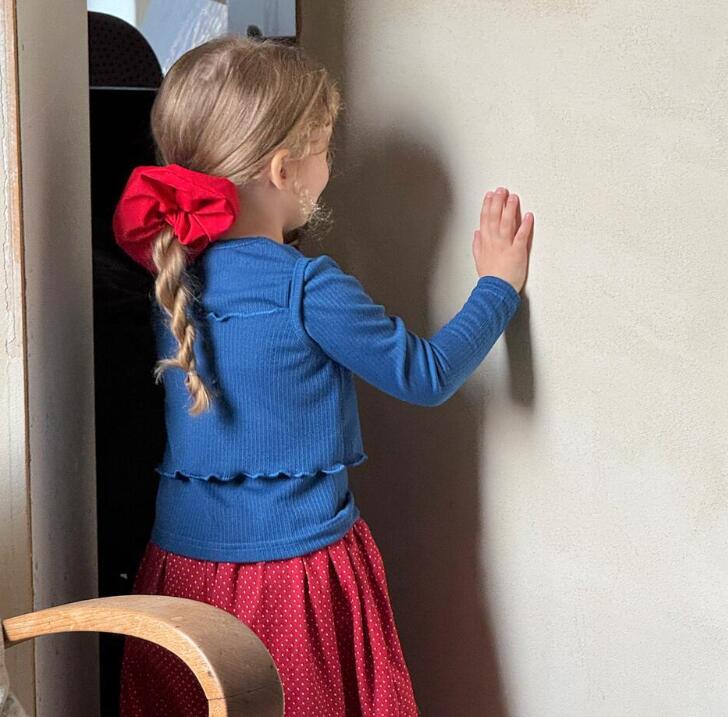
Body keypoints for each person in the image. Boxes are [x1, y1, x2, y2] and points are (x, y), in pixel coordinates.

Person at [113, 34, 534, 717]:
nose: (330, 165)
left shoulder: (170, 276)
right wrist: (498, 286)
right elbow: (424, 374)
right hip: (293, 582)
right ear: (284, 170)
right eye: (325, 148)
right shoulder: (307, 288)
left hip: (180, 578)